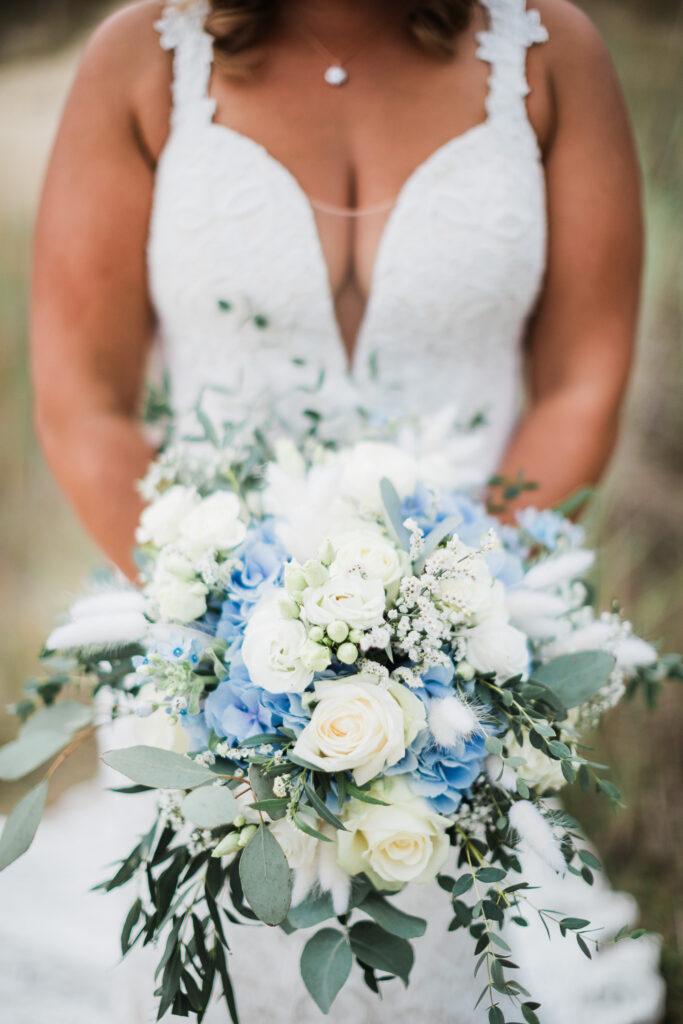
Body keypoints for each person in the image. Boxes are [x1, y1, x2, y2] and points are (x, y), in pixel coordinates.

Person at [13, 0, 664, 1020]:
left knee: (443, 962)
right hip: (211, 662)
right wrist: (220, 628)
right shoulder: (139, 59)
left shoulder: (548, 55)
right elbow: (83, 404)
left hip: (467, 650)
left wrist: (454, 619)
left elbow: (579, 378)